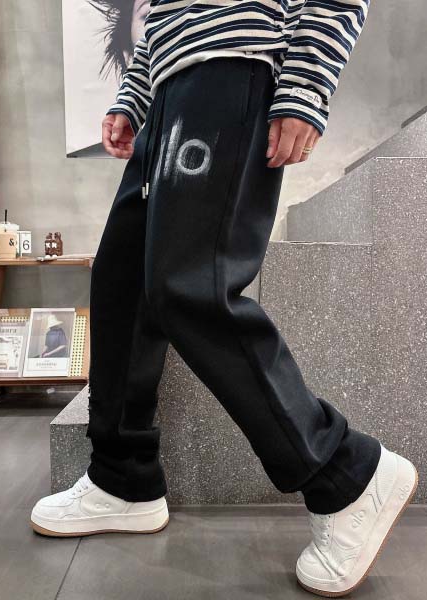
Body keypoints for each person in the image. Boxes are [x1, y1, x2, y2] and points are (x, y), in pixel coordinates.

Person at [31, 1, 418, 596]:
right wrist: (135, 96)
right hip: (171, 87)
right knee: (121, 282)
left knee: (190, 286)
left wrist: (305, 85)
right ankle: (122, 478)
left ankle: (346, 474)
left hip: (235, 64)